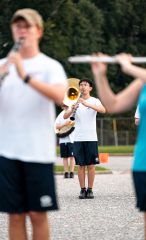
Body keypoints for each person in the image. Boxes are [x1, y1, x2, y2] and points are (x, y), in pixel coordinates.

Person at [0, 8, 67, 240]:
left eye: (27, 26)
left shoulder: (50, 66)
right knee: (15, 216)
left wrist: (25, 75)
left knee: (38, 214)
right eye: (17, 26)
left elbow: (60, 96)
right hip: (7, 151)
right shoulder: (2, 66)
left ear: (38, 31)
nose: (21, 30)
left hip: (37, 152)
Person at [91, 52, 146, 240]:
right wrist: (100, 75)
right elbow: (113, 105)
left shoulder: (144, 76)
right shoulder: (143, 83)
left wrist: (128, 67)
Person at [64, 78, 106, 199]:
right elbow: (66, 115)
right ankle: (82, 190)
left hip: (91, 137)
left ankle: (90, 189)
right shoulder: (74, 101)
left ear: (90, 88)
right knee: (81, 165)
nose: (82, 87)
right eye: (81, 85)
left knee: (91, 165)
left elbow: (103, 110)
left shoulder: (95, 100)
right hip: (78, 137)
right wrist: (72, 108)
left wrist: (87, 104)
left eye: (85, 85)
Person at [55, 103, 75, 178]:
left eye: (67, 105)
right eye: (64, 106)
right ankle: (66, 172)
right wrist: (64, 124)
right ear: (62, 107)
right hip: (63, 139)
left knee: (72, 156)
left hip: (71, 139)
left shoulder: (73, 112)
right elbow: (56, 126)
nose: (65, 107)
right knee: (65, 157)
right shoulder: (60, 115)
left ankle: (72, 172)